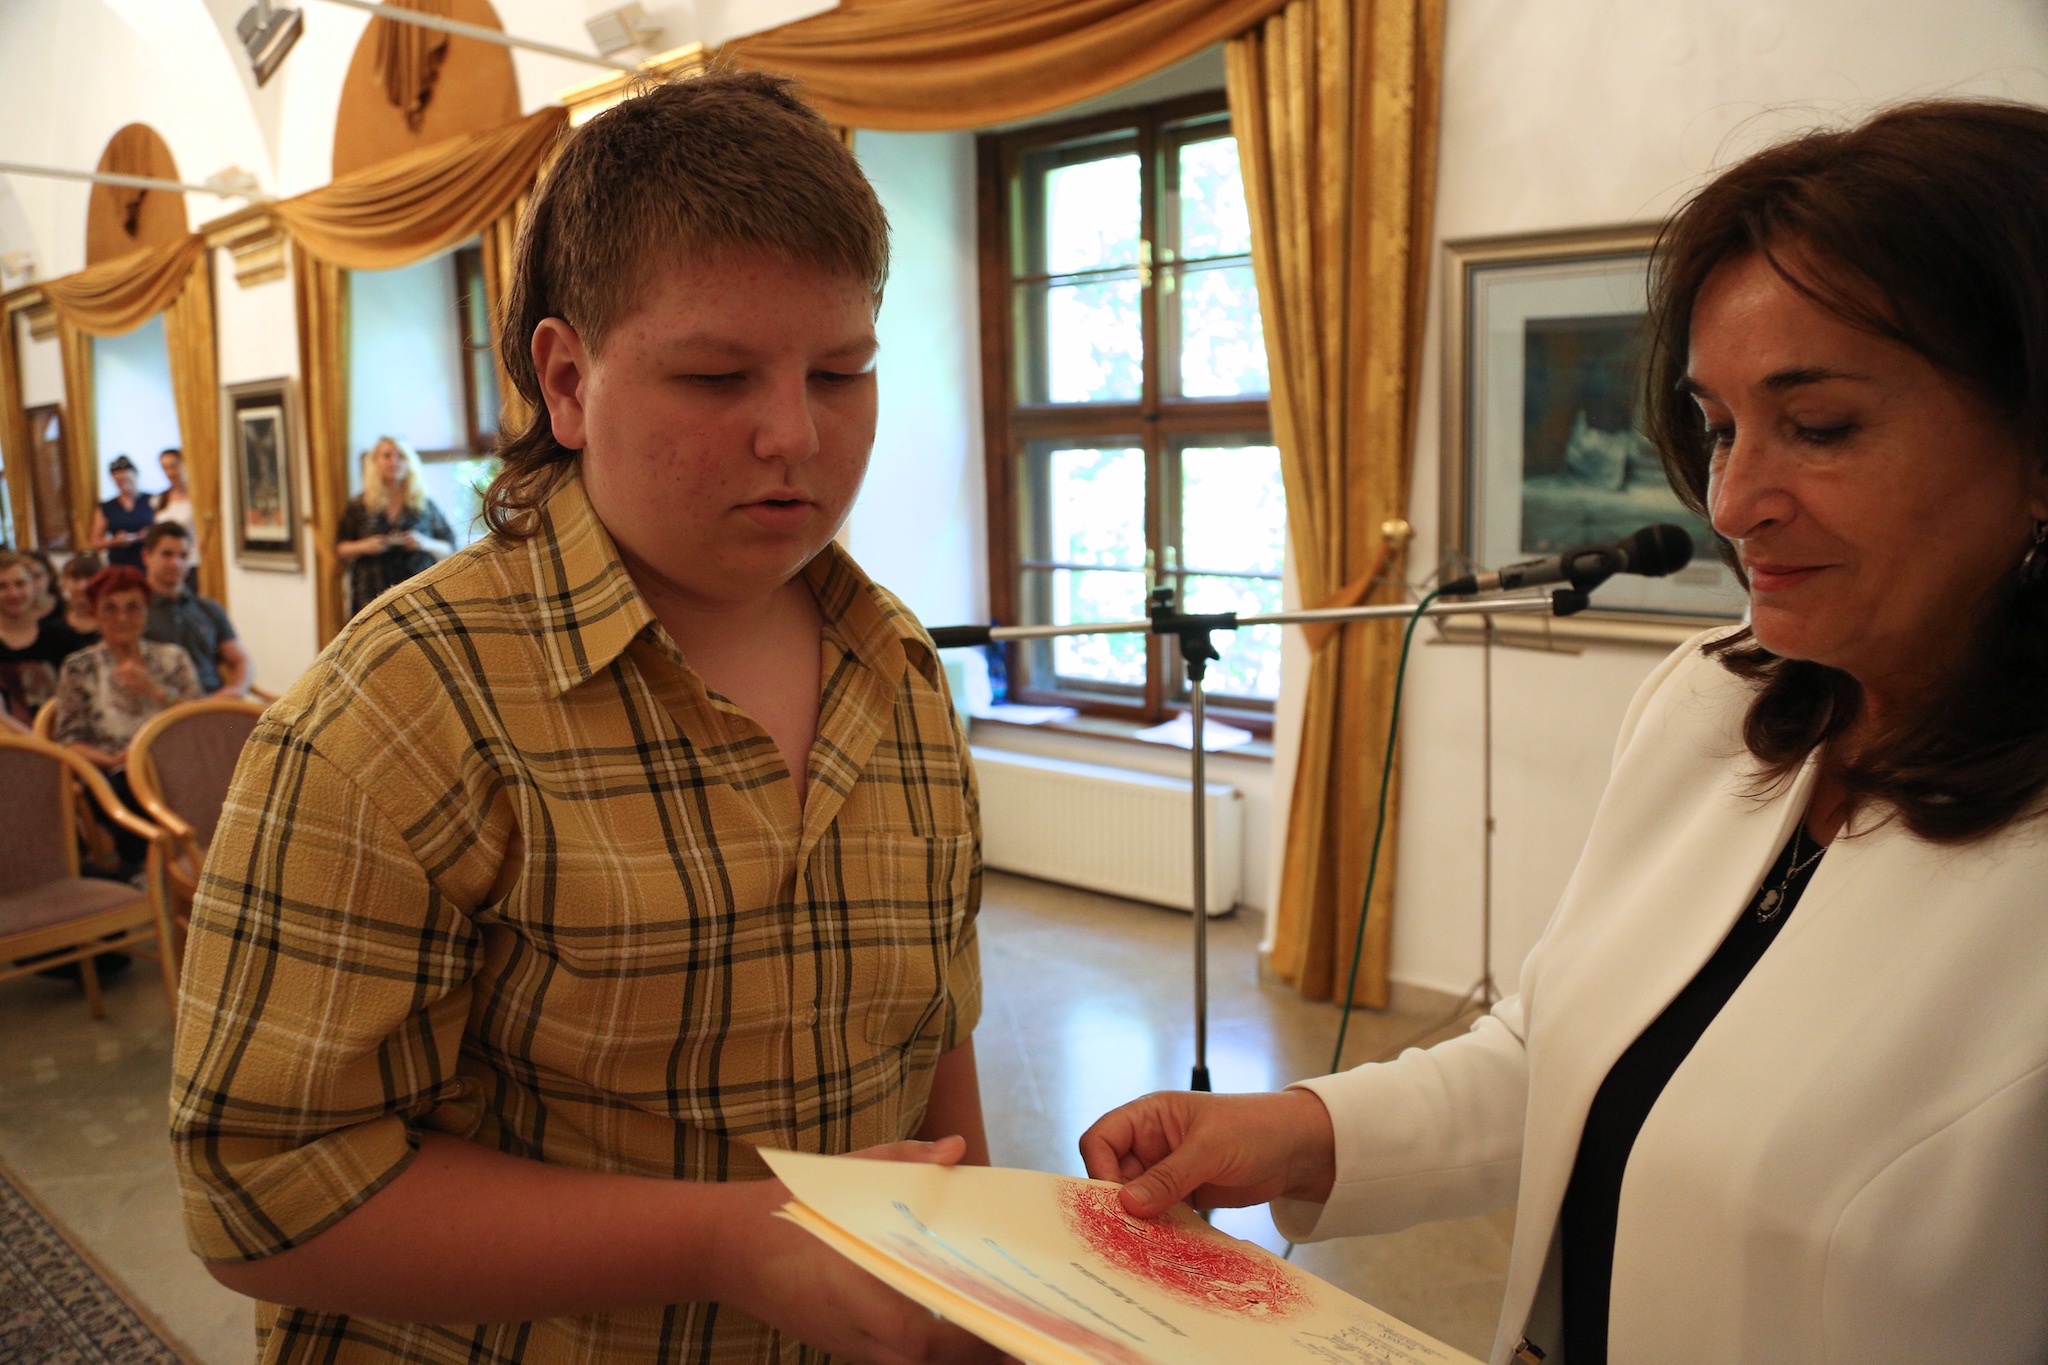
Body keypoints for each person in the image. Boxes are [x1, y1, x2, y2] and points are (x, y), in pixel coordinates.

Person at [1082, 100, 2048, 1365]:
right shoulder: (1711, 705)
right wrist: (1300, 1130)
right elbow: (1565, 1050)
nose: (1731, 502)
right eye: (1716, 428)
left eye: (1818, 428)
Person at [171, 72, 997, 1365]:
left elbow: (933, 1041)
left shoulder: (899, 670)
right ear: (566, 379)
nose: (794, 434)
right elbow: (262, 1191)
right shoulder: (397, 715)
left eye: (841, 372)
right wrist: (729, 1240)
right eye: (717, 377)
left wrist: (983, 1298)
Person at [51, 563, 202, 865]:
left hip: (173, 763)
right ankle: (144, 870)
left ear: (147, 611)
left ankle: (201, 862)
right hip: (113, 771)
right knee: (126, 785)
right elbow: (68, 741)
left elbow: (200, 721)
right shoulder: (80, 667)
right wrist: (110, 760)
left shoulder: (172, 658)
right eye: (110, 608)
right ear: (94, 614)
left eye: (133, 607)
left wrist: (156, 690)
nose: (122, 618)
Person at [335, 436, 456, 616]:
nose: (394, 461)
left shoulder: (423, 505)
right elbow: (341, 549)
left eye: (401, 456)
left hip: (418, 593)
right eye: (387, 455)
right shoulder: (359, 505)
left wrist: (423, 543)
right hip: (370, 594)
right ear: (374, 462)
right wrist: (364, 546)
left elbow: (450, 547)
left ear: (409, 463)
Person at [140, 523, 250, 698]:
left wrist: (236, 690)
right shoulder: (136, 614)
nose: (176, 563)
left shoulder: (209, 609)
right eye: (167, 554)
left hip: (213, 702)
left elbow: (240, 660)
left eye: (183, 556)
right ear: (147, 556)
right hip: (160, 706)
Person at [0, 550, 87, 732]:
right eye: (2, 586)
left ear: (33, 586)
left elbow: (82, 698)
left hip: (63, 738)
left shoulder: (62, 638)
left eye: (20, 583)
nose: (13, 593)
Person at [90, 454, 155, 569]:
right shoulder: (107, 507)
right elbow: (95, 542)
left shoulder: (152, 500)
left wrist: (149, 535)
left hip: (148, 562)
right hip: (119, 564)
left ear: (135, 475)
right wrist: (115, 541)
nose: (124, 485)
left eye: (127, 480)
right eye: (119, 481)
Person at [57, 552, 104, 643]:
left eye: (90, 578)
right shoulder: (55, 617)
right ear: (64, 582)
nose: (82, 586)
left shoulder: (113, 619)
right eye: (76, 578)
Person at [153, 446, 194, 531]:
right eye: (165, 468)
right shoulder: (159, 499)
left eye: (173, 466)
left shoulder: (196, 497)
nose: (170, 472)